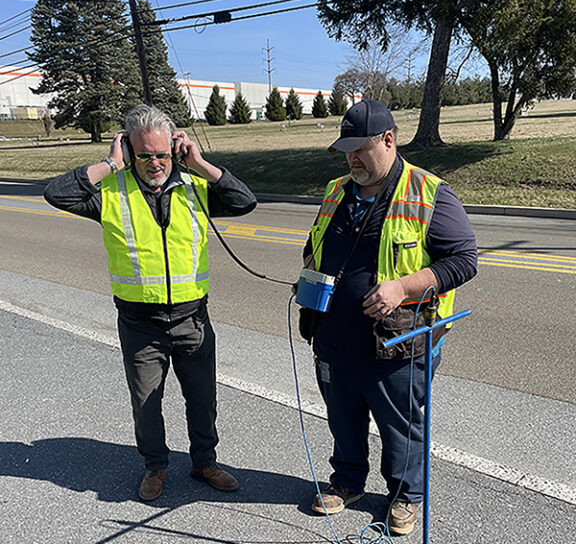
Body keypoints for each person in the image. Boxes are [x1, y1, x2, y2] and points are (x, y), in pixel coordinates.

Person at [44, 104, 257, 501]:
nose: (154, 163)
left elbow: (245, 201)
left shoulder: (196, 187)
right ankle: (155, 467)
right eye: (144, 155)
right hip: (140, 323)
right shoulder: (111, 192)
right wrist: (110, 163)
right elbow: (55, 193)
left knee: (202, 398)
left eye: (161, 154)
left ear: (174, 149)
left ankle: (204, 461)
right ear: (129, 150)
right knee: (146, 403)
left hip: (193, 320)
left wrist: (200, 163)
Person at [298, 100, 477, 535]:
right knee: (342, 415)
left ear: (388, 140)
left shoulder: (429, 192)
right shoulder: (336, 190)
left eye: (360, 148)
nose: (352, 158)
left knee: (401, 425)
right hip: (337, 335)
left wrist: (402, 288)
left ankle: (405, 495)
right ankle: (347, 481)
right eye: (346, 150)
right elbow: (315, 246)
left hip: (398, 341)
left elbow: (464, 261)